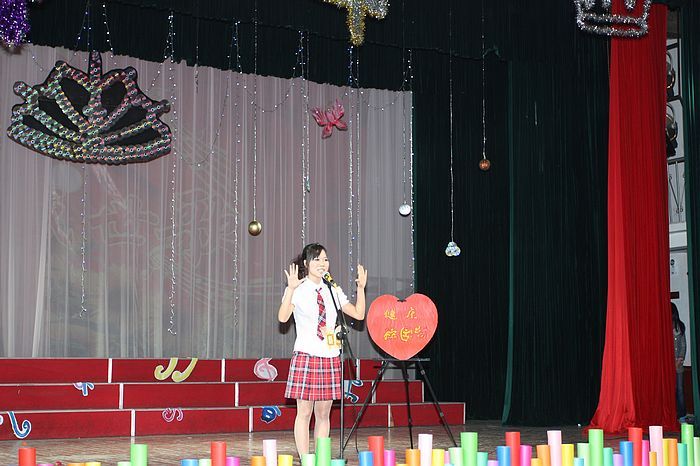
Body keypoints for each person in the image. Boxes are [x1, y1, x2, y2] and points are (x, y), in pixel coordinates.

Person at [278, 243, 368, 457]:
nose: (322, 263)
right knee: (304, 412)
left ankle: (321, 458)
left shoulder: (333, 289)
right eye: (317, 259)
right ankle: (305, 459)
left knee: (323, 413)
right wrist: (290, 289)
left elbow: (358, 314)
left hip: (329, 356)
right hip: (306, 355)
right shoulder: (298, 289)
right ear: (306, 263)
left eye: (325, 259)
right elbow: (282, 317)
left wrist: (361, 289)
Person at [672, 302, 687, 421]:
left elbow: (683, 345)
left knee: (680, 389)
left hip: (678, 364)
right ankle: (673, 414)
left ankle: (682, 415)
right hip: (669, 364)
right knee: (672, 389)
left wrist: (679, 359)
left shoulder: (680, 326)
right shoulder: (664, 326)